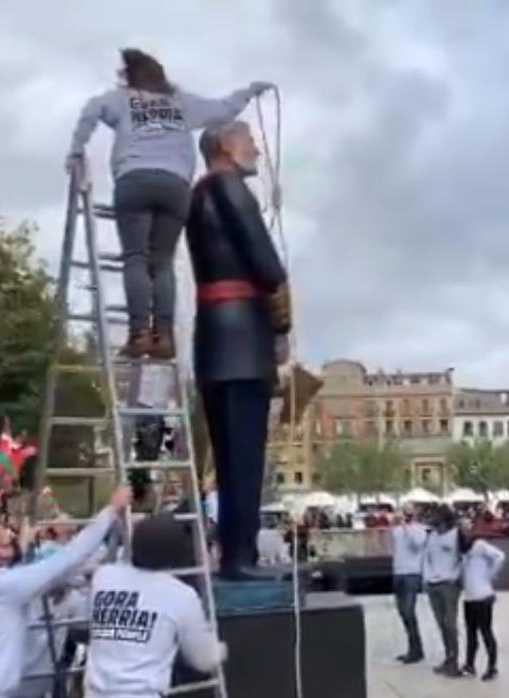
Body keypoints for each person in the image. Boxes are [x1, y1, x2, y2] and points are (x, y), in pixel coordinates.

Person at [67, 48, 272, 358]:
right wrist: (252, 89)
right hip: (175, 185)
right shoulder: (180, 103)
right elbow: (223, 109)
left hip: (134, 180)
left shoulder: (120, 99)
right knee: (161, 262)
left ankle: (138, 335)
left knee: (136, 258)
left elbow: (91, 110)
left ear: (129, 76)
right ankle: (163, 336)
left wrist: (76, 150)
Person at [185, 120, 291, 579]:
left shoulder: (197, 194)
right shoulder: (229, 186)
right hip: (245, 336)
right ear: (227, 146)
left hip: (212, 336)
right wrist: (282, 323)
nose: (257, 152)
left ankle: (233, 556)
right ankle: (241, 558)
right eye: (250, 142)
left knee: (228, 461)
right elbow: (266, 264)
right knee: (246, 458)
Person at [0, 487, 130, 698]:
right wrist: (111, 510)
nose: (15, 544)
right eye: (9, 542)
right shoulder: (3, 586)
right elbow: (70, 556)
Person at [83, 513, 225, 698]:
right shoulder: (180, 595)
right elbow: (202, 659)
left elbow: (89, 623)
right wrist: (221, 649)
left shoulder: (103, 577)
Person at [458, 526, 504, 682]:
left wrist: (491, 575)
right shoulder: (463, 553)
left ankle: (492, 667)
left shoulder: (480, 546)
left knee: (486, 632)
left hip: (483, 596)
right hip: (469, 597)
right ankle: (469, 664)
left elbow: (500, 556)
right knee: (471, 634)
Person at [423, 507, 462, 678]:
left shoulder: (456, 535)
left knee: (450, 624)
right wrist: (427, 577)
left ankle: (454, 660)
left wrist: (455, 576)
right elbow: (427, 557)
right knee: (441, 623)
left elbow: (463, 558)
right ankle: (448, 656)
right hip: (433, 583)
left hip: (449, 584)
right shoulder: (432, 536)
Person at [389, 504, 428, 664]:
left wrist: (406, 527)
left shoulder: (420, 530)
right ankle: (413, 647)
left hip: (412, 573)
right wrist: (394, 524)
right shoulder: (397, 530)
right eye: (404, 512)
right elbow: (391, 546)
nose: (406, 515)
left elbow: (417, 544)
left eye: (409, 513)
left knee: (409, 611)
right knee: (402, 612)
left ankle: (416, 650)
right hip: (398, 572)